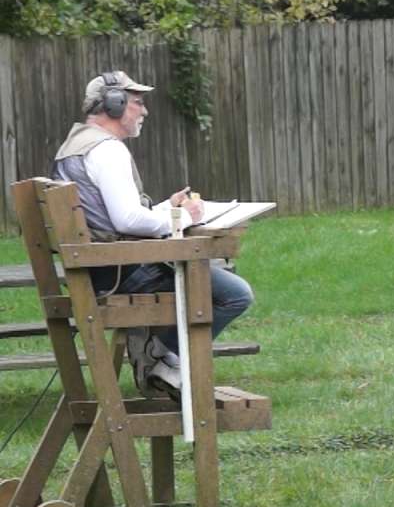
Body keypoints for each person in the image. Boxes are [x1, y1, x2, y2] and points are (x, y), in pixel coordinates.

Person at [51, 71, 255, 395]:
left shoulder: (75, 146)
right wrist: (183, 217)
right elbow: (127, 220)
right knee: (234, 293)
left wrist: (164, 208)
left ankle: (160, 355)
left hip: (99, 271)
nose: (144, 111)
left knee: (214, 278)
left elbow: (112, 217)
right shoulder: (108, 150)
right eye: (137, 102)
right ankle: (162, 357)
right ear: (114, 104)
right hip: (122, 275)